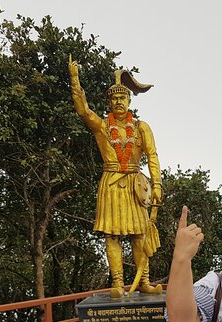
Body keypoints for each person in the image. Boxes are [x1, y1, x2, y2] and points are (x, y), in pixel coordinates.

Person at [69, 57, 163, 298]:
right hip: (110, 182)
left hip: (134, 184)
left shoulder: (142, 127)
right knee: (112, 235)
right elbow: (83, 110)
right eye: (114, 98)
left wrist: (157, 185)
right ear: (109, 102)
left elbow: (152, 156)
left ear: (130, 101)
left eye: (123, 98)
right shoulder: (101, 126)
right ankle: (118, 283)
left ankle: (144, 281)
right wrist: (74, 79)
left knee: (139, 234)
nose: (119, 101)